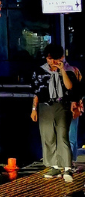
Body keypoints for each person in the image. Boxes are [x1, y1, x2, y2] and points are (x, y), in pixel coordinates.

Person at [31, 43, 80, 183]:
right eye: (49, 58)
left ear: (62, 58)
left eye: (55, 58)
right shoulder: (40, 71)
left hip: (62, 105)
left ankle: (67, 167)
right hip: (45, 106)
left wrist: (62, 71)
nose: (52, 62)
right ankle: (54, 166)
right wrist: (34, 109)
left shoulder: (70, 70)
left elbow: (70, 87)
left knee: (63, 136)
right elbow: (36, 92)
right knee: (47, 136)